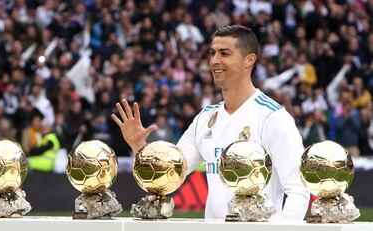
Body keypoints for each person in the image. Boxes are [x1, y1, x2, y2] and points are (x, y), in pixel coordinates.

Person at [112, 25, 309, 220]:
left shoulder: (272, 117)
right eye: (212, 53)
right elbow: (171, 175)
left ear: (249, 60)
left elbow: (298, 190)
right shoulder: (205, 118)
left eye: (224, 53)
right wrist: (139, 147)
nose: (215, 61)